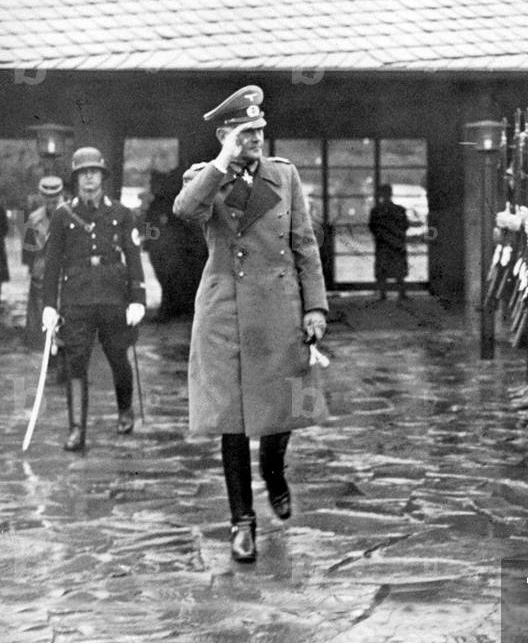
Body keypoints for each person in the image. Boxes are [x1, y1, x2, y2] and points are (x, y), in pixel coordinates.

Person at [173, 85, 329, 563]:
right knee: (233, 422)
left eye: (260, 130)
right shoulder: (204, 177)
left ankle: (274, 471)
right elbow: (186, 210)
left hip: (279, 307)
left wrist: (315, 307)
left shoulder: (284, 175)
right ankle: (242, 521)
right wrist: (223, 160)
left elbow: (304, 243)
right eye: (245, 132)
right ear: (225, 135)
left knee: (282, 409)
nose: (256, 139)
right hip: (227, 311)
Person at [41, 148, 146, 451]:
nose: (89, 177)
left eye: (94, 172)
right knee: (76, 363)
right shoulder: (62, 215)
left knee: (118, 356)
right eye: (83, 173)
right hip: (76, 300)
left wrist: (138, 299)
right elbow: (52, 264)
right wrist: (49, 305)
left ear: (102, 176)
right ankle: (77, 429)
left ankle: (124, 410)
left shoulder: (122, 213)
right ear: (75, 178)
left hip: (113, 297)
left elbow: (133, 257)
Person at [23, 176, 65, 348]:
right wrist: (32, 269)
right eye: (47, 198)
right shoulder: (34, 219)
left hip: (64, 270)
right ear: (41, 196)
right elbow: (28, 248)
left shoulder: (71, 215)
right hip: (41, 271)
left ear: (60, 195)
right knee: (38, 311)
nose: (50, 202)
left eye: (54, 198)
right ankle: (37, 344)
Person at [368, 184, 410, 300]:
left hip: (383, 243)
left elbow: (373, 227)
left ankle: (383, 294)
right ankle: (401, 292)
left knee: (383, 269)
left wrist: (382, 236)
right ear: (391, 194)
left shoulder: (376, 211)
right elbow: (405, 225)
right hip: (397, 243)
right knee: (399, 268)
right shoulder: (400, 210)